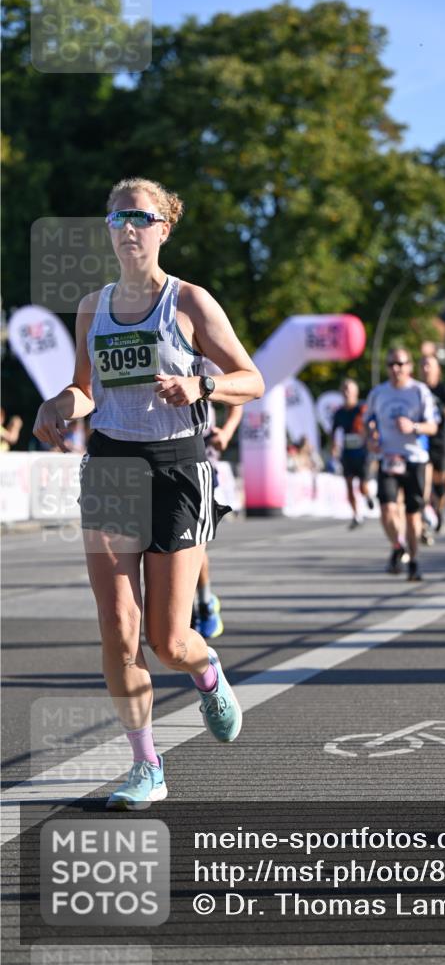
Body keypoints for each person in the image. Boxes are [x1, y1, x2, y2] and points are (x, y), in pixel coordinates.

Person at [33, 177, 264, 809]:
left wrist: (202, 389)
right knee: (118, 626)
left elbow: (253, 378)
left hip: (176, 469)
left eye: (141, 216)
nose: (127, 226)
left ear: (164, 228)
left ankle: (206, 669)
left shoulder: (189, 302)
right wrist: (57, 404)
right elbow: (85, 389)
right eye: (116, 217)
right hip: (109, 466)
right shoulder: (91, 306)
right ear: (108, 230)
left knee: (168, 639)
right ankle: (146, 766)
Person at [364, 346, 438, 581]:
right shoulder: (378, 393)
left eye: (401, 364)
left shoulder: (419, 391)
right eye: (391, 365)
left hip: (414, 458)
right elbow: (368, 423)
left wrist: (413, 427)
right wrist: (371, 439)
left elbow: (433, 426)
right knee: (386, 509)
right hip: (388, 457)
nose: (396, 369)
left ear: (409, 367)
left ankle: (414, 561)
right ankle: (398, 545)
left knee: (412, 516)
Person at [193, 395, 244, 638]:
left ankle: (204, 604)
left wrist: (227, 431)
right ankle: (186, 608)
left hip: (198, 457)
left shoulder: (203, 356)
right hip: (145, 458)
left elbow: (238, 389)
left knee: (192, 543)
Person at [418, 354, 445, 539]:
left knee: (440, 484)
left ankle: (439, 511)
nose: (426, 369)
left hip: (440, 441)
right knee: (424, 483)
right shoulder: (416, 389)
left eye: (429, 365)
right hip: (421, 442)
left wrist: (443, 410)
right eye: (423, 365)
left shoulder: (444, 390)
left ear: (437, 369)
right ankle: (425, 519)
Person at [331, 378, 373, 529]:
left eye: (350, 389)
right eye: (345, 389)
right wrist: (334, 448)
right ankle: (356, 515)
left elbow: (372, 425)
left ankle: (367, 496)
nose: (347, 392)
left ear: (356, 392)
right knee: (348, 485)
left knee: (362, 486)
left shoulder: (362, 409)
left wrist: (369, 437)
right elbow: (334, 432)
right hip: (347, 453)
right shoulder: (339, 413)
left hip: (362, 453)